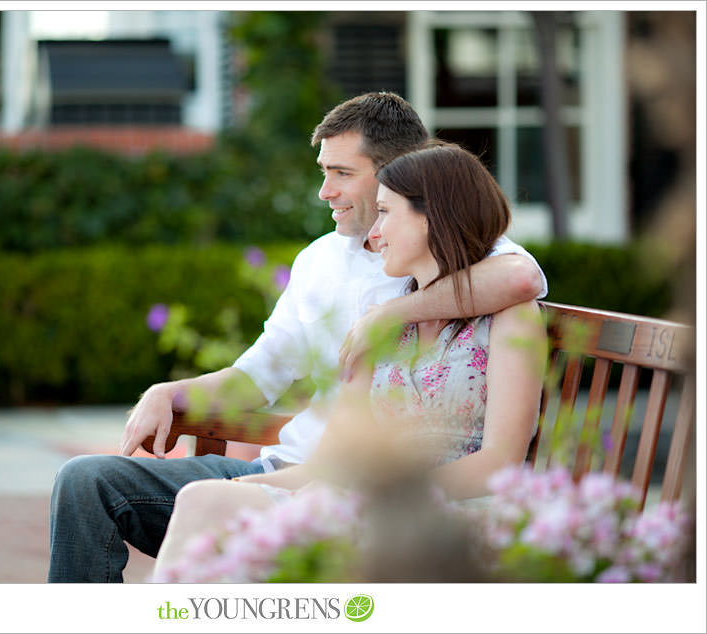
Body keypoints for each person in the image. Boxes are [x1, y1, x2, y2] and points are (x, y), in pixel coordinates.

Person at [48, 92, 546, 582]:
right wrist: (168, 393)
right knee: (88, 481)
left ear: (403, 176)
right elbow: (256, 378)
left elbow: (520, 281)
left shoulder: (477, 269)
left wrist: (391, 313)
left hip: (384, 498)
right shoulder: (322, 260)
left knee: (217, 515)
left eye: (342, 173)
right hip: (308, 474)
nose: (324, 191)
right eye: (323, 172)